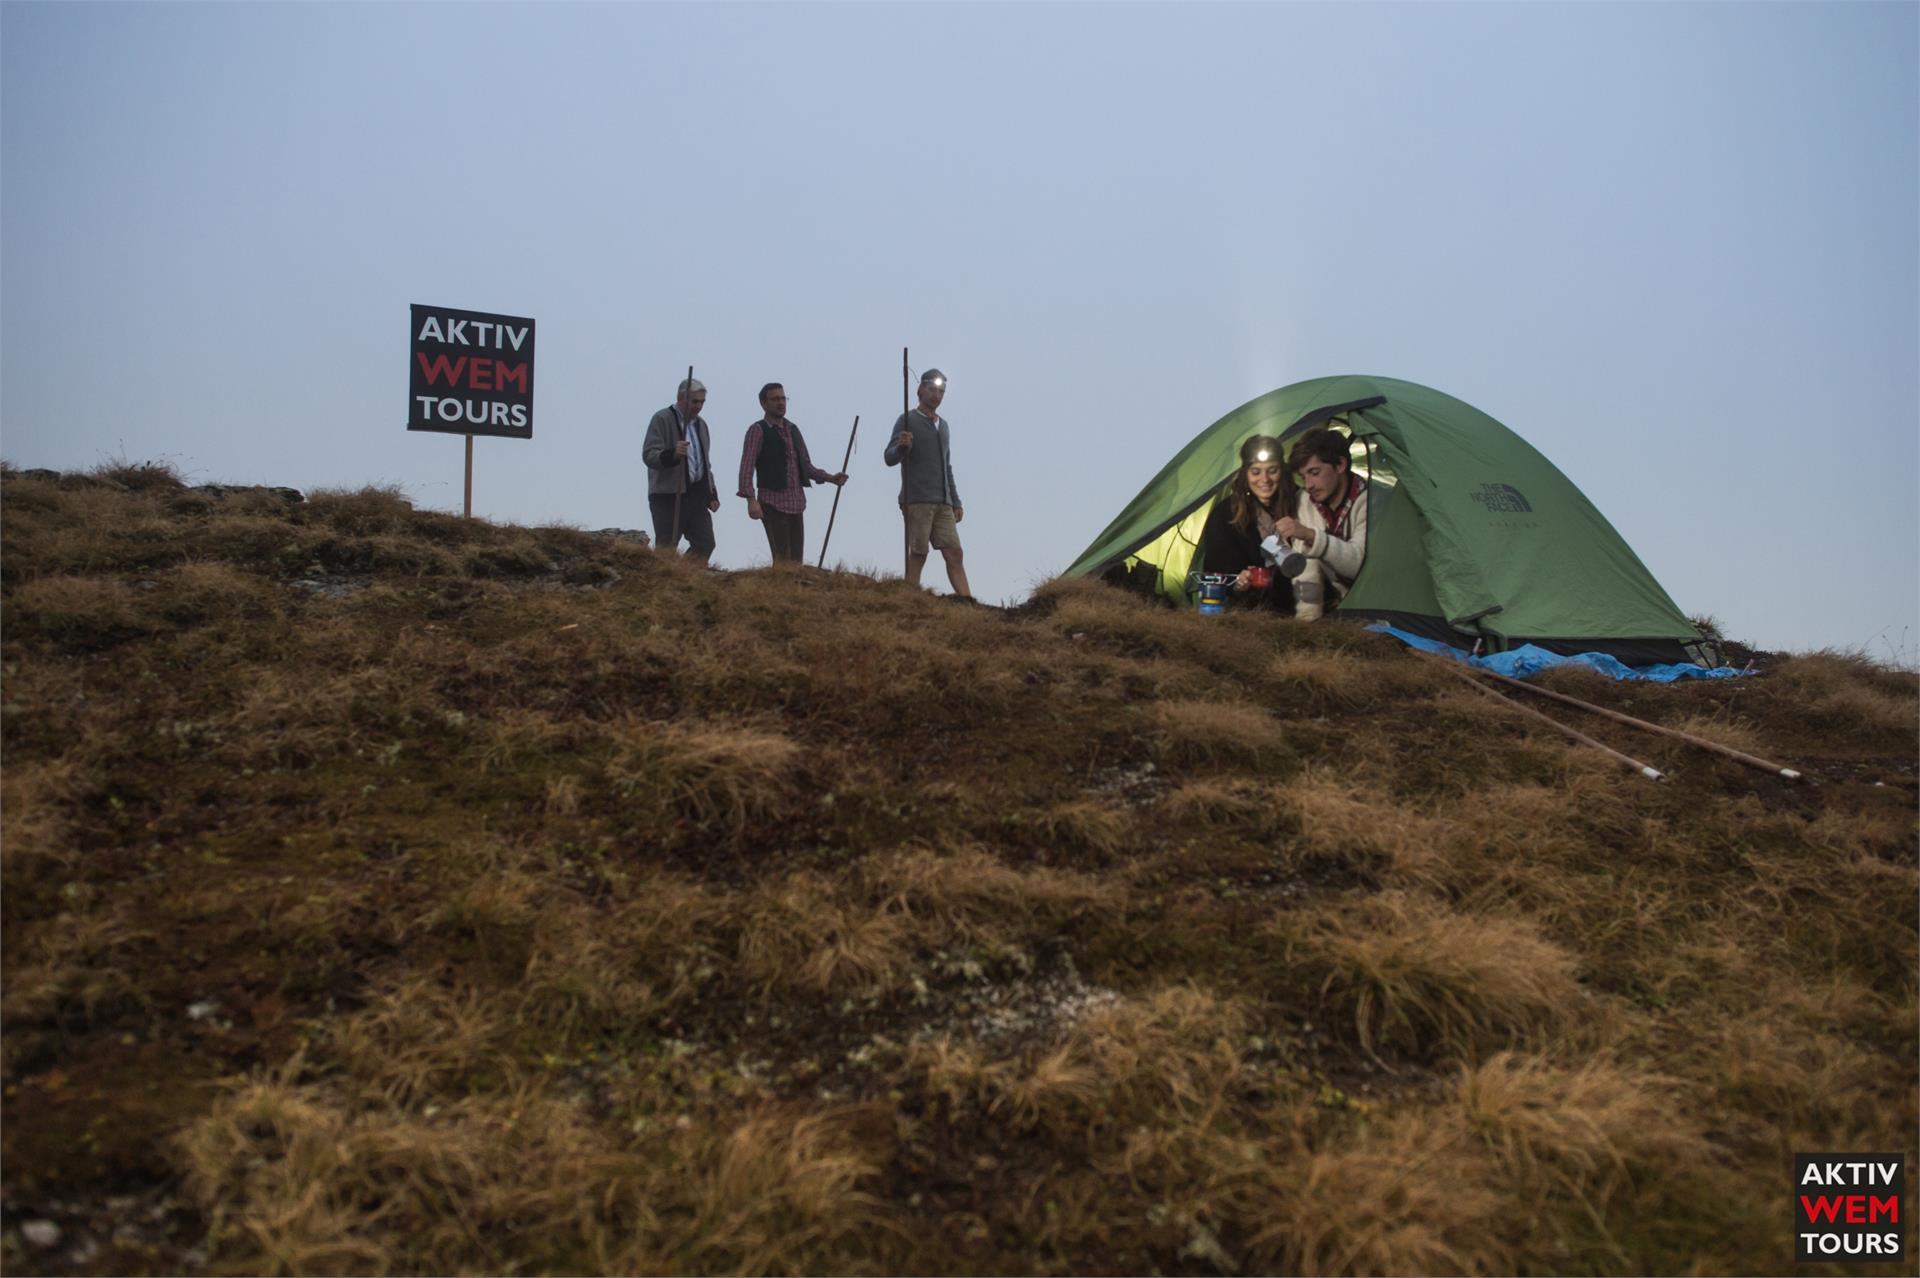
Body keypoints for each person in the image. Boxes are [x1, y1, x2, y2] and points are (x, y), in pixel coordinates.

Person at [885, 367, 971, 598]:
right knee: (919, 552)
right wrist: (902, 446)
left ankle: (967, 600)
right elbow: (889, 457)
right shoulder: (907, 419)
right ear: (920, 389)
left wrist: (955, 500)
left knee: (954, 552)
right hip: (917, 499)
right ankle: (910, 596)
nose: (936, 395)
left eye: (941, 391)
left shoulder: (943, 426)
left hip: (943, 500)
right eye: (932, 389)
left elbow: (946, 465)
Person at [737, 382, 847, 564]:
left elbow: (805, 465)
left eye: (783, 398)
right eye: (775, 399)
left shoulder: (793, 429)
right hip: (772, 503)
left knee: (796, 561)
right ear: (763, 404)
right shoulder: (758, 430)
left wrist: (830, 478)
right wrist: (751, 499)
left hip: (796, 503)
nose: (780, 403)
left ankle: (792, 592)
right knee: (782, 560)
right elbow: (746, 467)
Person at [1275, 426, 1369, 619]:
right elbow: (1306, 568)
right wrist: (1307, 625)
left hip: (1379, 605)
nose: (1309, 485)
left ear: (1341, 465)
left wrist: (1311, 536)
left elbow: (1359, 565)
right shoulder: (1305, 500)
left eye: (1315, 472)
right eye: (1303, 477)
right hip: (1341, 608)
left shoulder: (1370, 502)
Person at [1198, 434, 1297, 613]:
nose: (1265, 480)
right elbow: (1217, 573)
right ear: (1245, 473)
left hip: (1298, 604)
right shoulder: (1226, 514)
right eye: (1256, 471)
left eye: (1272, 470)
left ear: (1282, 471)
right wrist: (1239, 581)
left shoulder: (1299, 503)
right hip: (1245, 611)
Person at [641, 377, 720, 563]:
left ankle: (686, 577)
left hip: (695, 495)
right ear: (681, 398)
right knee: (666, 547)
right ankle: (662, 582)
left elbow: (704, 464)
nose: (699, 406)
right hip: (668, 494)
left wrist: (711, 494)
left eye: (702, 402)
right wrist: (672, 454)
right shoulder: (662, 418)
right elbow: (649, 455)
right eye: (695, 401)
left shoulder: (701, 425)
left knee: (705, 543)